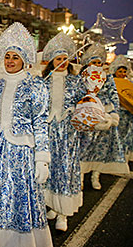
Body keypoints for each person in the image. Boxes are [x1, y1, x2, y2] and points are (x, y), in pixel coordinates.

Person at [0, 22, 52, 247]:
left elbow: (40, 123)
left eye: (15, 57)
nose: (10, 60)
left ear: (24, 59)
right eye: (7, 56)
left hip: (21, 153)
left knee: (19, 198)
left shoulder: (36, 85)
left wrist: (42, 160)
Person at [41, 32, 86, 231]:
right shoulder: (44, 81)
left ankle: (63, 214)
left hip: (68, 132)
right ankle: (52, 204)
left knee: (65, 168)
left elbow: (85, 103)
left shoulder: (76, 82)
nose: (62, 62)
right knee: (50, 168)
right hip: (49, 132)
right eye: (58, 59)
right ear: (52, 61)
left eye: (65, 59)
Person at [79, 43, 129, 190]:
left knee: (100, 149)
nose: (96, 65)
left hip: (104, 117)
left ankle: (95, 176)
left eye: (99, 63)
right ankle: (80, 177)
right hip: (87, 117)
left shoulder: (107, 78)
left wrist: (114, 115)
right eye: (93, 62)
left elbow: (114, 97)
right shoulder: (81, 78)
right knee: (83, 148)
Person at [110, 55, 133, 161]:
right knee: (117, 137)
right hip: (118, 114)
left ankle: (125, 160)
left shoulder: (130, 83)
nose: (122, 74)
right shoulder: (110, 83)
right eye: (120, 71)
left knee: (128, 137)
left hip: (129, 115)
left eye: (124, 71)